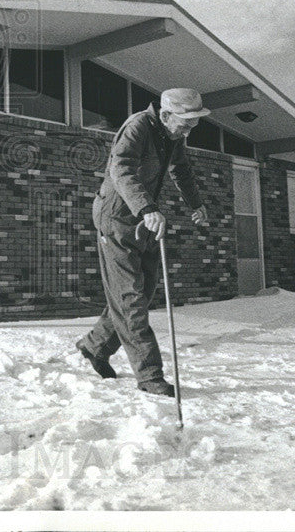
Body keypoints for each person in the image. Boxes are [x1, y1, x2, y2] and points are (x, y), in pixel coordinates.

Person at [76, 88, 210, 396]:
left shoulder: (171, 136)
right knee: (131, 299)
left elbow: (182, 170)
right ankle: (150, 377)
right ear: (165, 115)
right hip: (118, 217)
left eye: (193, 124)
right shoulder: (137, 127)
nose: (189, 131)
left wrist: (195, 204)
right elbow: (120, 168)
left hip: (143, 218)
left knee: (143, 290)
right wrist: (147, 208)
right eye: (186, 123)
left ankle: (94, 345)